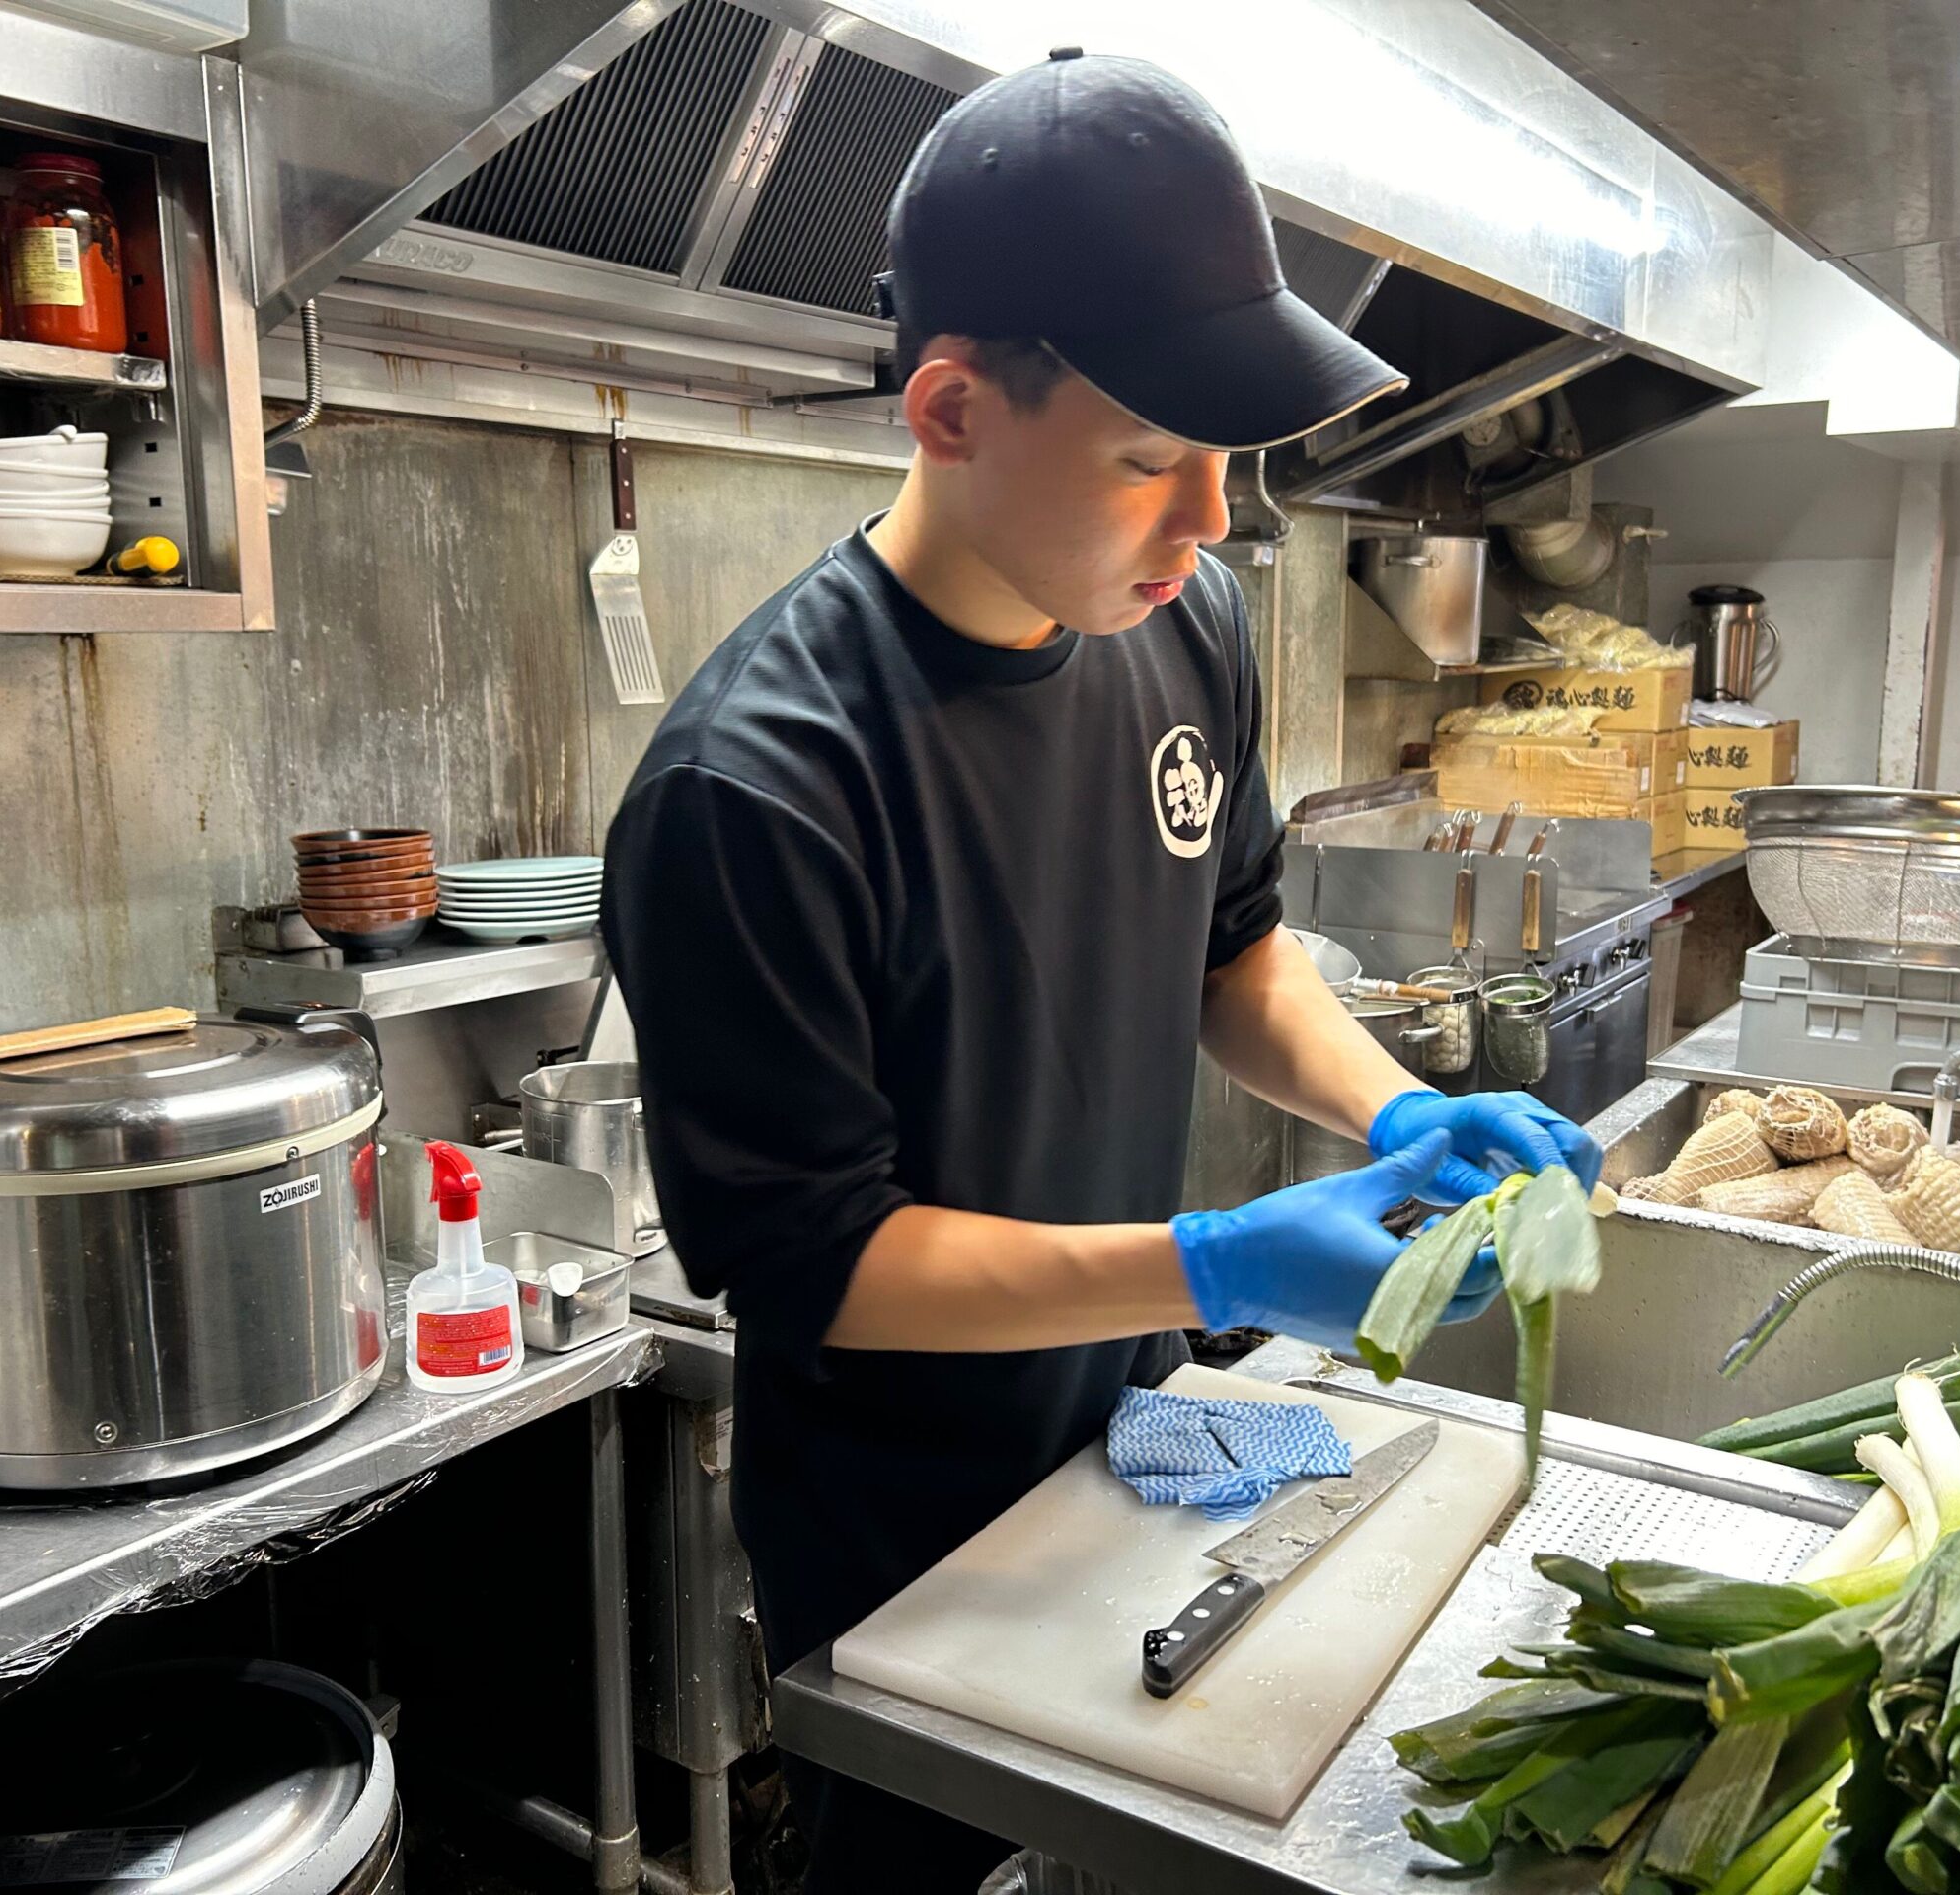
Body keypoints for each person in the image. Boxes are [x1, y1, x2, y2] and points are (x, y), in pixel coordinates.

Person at [602, 49, 1602, 1893]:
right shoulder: (762, 787)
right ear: (953, 408)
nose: (1211, 523)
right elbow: (822, 1267)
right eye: (1153, 460)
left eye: (1231, 461)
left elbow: (1234, 951)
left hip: (1141, 1442)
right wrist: (1216, 1258)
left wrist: (1396, 1101)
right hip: (907, 1552)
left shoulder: (1183, 622)